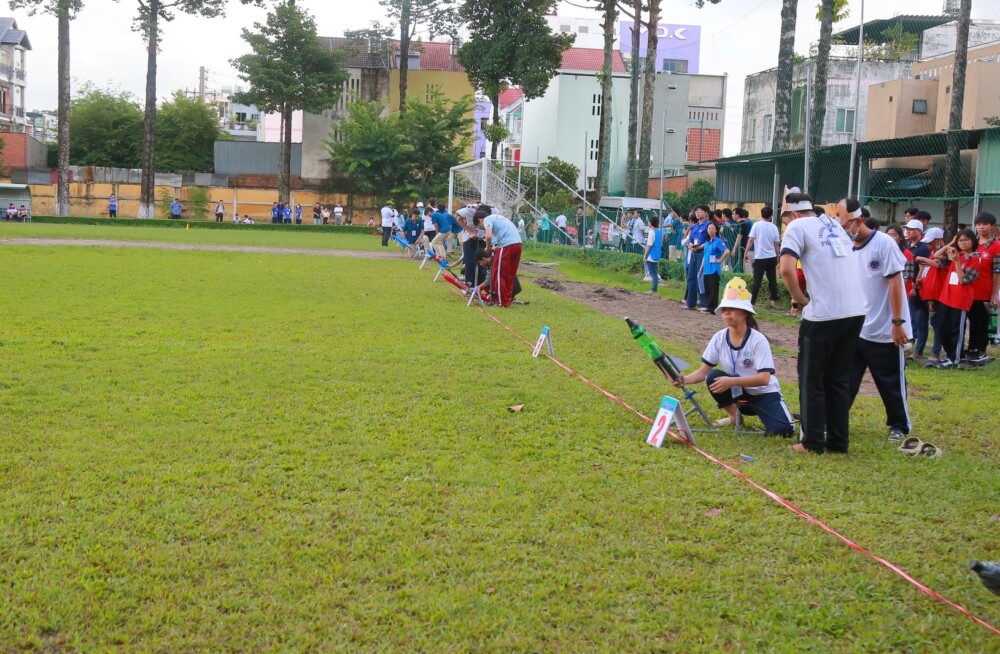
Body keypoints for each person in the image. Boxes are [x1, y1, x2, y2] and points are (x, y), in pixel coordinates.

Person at [779, 192, 867, 454]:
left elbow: (785, 268)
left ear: (792, 214)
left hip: (824, 314)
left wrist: (799, 298)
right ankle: (839, 442)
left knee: (811, 378)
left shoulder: (797, 226)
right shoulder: (831, 223)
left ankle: (812, 441)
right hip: (854, 312)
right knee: (839, 379)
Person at [673, 278, 795, 435]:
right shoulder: (719, 337)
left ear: (745, 313)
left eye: (732, 308)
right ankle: (733, 416)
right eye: (724, 309)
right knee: (713, 376)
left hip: (763, 393)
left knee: (784, 431)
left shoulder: (758, 340)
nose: (726, 312)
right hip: (738, 393)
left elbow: (764, 378)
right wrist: (684, 379)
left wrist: (732, 381)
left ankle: (769, 414)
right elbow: (703, 372)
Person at [841, 198, 913, 443]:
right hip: (856, 327)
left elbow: (895, 283)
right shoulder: (847, 246)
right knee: (846, 378)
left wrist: (897, 322)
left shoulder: (883, 244)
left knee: (890, 380)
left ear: (858, 220)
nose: (843, 229)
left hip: (884, 328)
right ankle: (836, 417)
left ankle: (899, 425)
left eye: (845, 224)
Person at [932, 229, 979, 367]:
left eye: (966, 240)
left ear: (973, 241)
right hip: (946, 297)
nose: (963, 243)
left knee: (956, 330)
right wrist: (951, 243)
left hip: (960, 299)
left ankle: (955, 358)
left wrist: (957, 261)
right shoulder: (955, 254)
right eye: (960, 240)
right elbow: (936, 255)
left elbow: (963, 279)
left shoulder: (975, 258)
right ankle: (949, 354)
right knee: (942, 327)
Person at [966, 212, 1000, 364]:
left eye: (985, 224)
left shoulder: (996, 246)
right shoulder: (971, 243)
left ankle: (981, 349)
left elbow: (997, 271)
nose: (981, 227)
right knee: (971, 320)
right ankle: (971, 348)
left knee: (981, 321)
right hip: (967, 290)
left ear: (992, 226)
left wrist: (994, 294)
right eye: (979, 224)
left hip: (984, 292)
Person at [474, 206, 522, 307]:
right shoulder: (499, 218)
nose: (483, 228)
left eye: (480, 226)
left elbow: (488, 236)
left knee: (498, 274)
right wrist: (495, 248)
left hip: (507, 245)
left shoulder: (487, 219)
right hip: (517, 244)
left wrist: (487, 247)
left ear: (480, 220)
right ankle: (507, 299)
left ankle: (500, 301)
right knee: (510, 274)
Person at [915, 227, 946, 364]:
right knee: (925, 322)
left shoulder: (943, 254)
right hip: (927, 294)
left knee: (937, 324)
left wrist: (924, 259)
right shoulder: (932, 252)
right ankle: (920, 350)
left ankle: (936, 352)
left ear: (939, 240)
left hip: (938, 295)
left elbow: (938, 264)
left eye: (931, 242)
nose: (928, 245)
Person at [901, 218, 930, 359]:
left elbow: (924, 268)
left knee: (920, 319)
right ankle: (912, 344)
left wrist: (915, 285)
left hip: (920, 287)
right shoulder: (907, 245)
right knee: (912, 317)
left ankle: (919, 349)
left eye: (911, 229)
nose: (908, 231)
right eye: (907, 229)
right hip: (909, 287)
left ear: (919, 231)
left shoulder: (923, 248)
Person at [746, 206, 781, 307]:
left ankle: (752, 301)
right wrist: (778, 255)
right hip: (771, 257)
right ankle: (774, 300)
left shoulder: (756, 225)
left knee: (757, 280)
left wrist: (746, 252)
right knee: (772, 280)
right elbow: (776, 244)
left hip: (760, 257)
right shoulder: (774, 227)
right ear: (771, 216)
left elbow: (751, 239)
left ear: (761, 214)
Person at [683, 205, 711, 310]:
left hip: (702, 254)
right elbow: (689, 239)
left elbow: (709, 241)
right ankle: (690, 303)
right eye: (696, 211)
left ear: (706, 213)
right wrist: (690, 246)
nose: (697, 213)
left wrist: (699, 247)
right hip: (694, 253)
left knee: (701, 278)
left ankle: (704, 303)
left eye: (700, 211)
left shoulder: (708, 225)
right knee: (691, 278)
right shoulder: (694, 226)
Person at [700, 222, 730, 313]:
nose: (711, 230)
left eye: (713, 228)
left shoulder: (718, 241)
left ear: (716, 230)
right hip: (706, 269)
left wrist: (720, 260)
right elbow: (705, 256)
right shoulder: (707, 242)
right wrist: (700, 269)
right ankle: (708, 306)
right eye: (709, 228)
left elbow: (727, 251)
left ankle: (712, 308)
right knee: (707, 288)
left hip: (714, 269)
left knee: (713, 289)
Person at [643, 215, 663, 295]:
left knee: (653, 273)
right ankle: (654, 288)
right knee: (654, 272)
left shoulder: (651, 232)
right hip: (657, 254)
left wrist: (645, 255)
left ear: (651, 223)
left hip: (651, 255)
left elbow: (649, 245)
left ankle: (653, 289)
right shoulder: (658, 232)